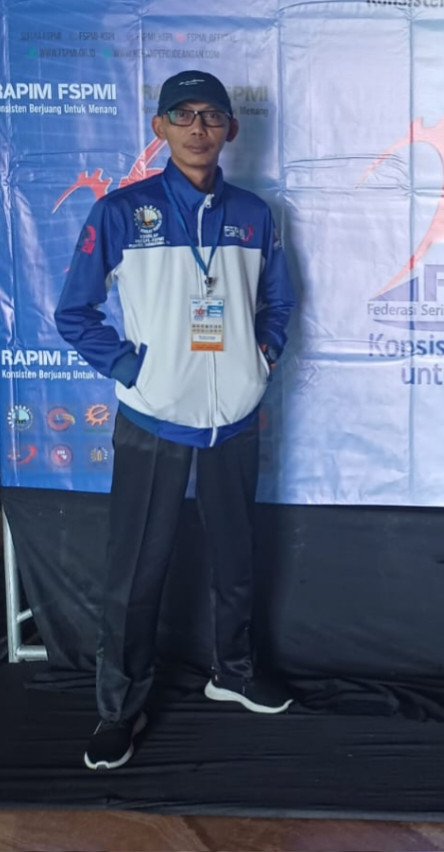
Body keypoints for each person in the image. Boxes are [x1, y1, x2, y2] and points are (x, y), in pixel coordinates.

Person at [55, 70, 296, 770]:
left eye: (211, 115)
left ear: (231, 129)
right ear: (159, 127)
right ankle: (118, 709)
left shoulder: (254, 214)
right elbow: (74, 312)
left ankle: (235, 672)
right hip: (153, 415)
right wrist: (134, 370)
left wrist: (261, 358)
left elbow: (278, 302)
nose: (198, 128)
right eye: (182, 115)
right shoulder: (122, 212)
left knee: (236, 558)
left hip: (235, 416)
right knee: (136, 570)